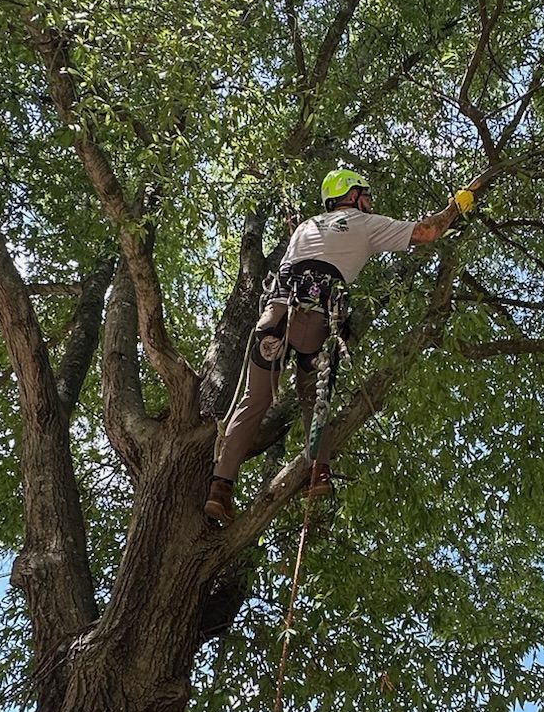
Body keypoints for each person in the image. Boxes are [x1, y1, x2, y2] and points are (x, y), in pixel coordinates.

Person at [204, 165, 481, 528]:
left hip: (274, 316)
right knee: (312, 397)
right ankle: (318, 471)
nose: (369, 201)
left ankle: (220, 488)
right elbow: (428, 232)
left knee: (253, 401)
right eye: (364, 194)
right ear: (351, 195)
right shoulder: (364, 224)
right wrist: (457, 205)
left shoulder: (306, 227)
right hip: (316, 321)